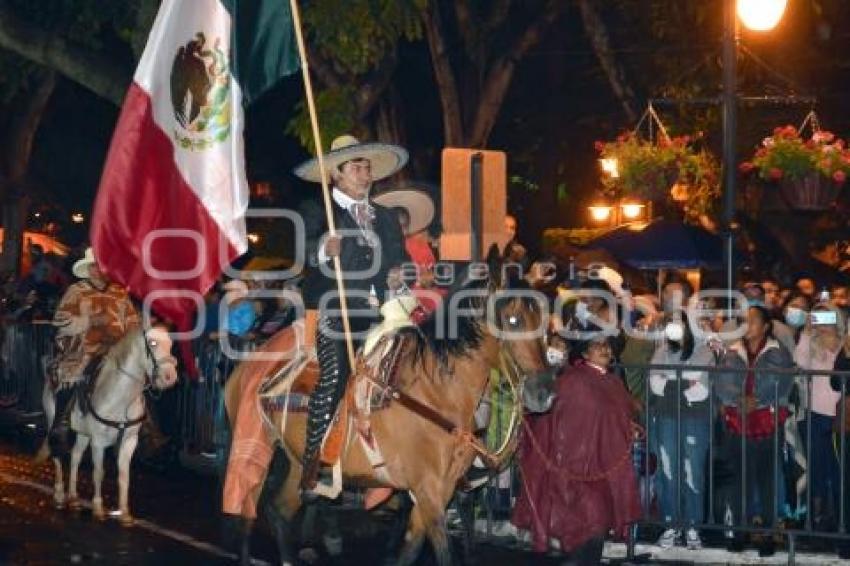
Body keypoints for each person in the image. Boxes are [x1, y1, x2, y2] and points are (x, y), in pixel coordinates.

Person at [294, 135, 409, 493]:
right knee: (337, 371)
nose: (365, 173)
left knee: (416, 367)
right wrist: (324, 250)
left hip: (385, 311)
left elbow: (398, 257)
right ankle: (314, 463)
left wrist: (399, 272)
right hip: (336, 308)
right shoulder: (316, 210)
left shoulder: (386, 217)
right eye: (356, 167)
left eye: (367, 167)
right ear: (336, 175)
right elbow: (303, 250)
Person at [512, 334, 641, 564]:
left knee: (597, 524)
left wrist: (631, 428)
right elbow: (551, 415)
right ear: (584, 353)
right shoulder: (572, 380)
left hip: (604, 465)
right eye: (597, 346)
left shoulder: (613, 382)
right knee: (589, 523)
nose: (605, 350)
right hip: (575, 468)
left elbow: (621, 414)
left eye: (607, 346)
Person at [714, 305, 794, 556]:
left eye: (752, 321)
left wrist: (756, 400)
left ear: (766, 326)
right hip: (738, 423)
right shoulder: (732, 352)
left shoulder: (777, 353)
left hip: (766, 423)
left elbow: (779, 382)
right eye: (744, 321)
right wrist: (740, 399)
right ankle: (739, 532)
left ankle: (769, 536)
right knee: (739, 481)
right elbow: (722, 381)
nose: (746, 325)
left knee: (767, 481)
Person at [48, 247, 141, 451]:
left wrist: (136, 332)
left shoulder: (120, 292)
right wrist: (90, 320)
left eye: (101, 267)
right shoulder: (77, 291)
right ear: (87, 269)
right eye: (93, 266)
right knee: (75, 374)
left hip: (116, 349)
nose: (97, 270)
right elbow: (60, 320)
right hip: (85, 347)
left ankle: (148, 431)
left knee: (140, 377)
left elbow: (133, 320)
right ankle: (61, 423)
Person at [650, 314, 714, 550]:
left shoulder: (704, 352)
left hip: (695, 419)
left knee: (692, 471)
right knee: (667, 470)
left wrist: (670, 381)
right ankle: (671, 524)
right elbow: (654, 384)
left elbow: (701, 390)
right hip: (666, 417)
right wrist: (683, 382)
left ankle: (693, 526)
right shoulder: (661, 351)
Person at [794, 302, 844, 530]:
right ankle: (815, 516)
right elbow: (799, 363)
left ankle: (838, 517)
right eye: (818, 318)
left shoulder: (845, 343)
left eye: (827, 318)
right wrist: (806, 332)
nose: (822, 323)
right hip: (815, 414)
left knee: (838, 468)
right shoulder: (811, 344)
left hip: (840, 416)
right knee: (817, 467)